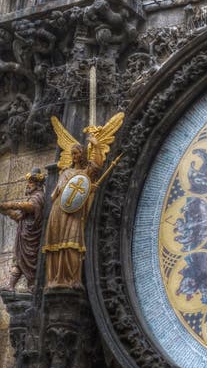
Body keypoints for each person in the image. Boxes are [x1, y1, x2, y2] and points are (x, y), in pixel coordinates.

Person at [42, 112, 124, 289]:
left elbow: (97, 166)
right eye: (72, 153)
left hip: (74, 211)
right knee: (55, 243)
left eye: (77, 153)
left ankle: (73, 279)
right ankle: (53, 279)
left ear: (82, 154)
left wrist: (94, 146)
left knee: (73, 241)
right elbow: (57, 194)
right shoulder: (65, 172)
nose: (74, 156)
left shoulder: (85, 172)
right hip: (59, 209)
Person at [0, 169, 45, 290]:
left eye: (31, 182)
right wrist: (4, 210)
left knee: (29, 261)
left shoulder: (39, 197)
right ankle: (11, 285)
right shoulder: (32, 197)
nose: (28, 185)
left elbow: (30, 207)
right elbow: (19, 217)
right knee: (18, 260)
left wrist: (9, 205)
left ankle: (32, 285)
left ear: (37, 184)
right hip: (24, 236)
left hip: (32, 238)